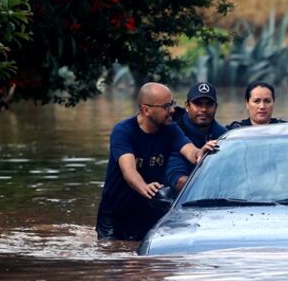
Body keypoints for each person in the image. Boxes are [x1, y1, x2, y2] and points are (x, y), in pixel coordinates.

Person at [96, 82, 213, 241]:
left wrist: (201, 152)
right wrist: (145, 187)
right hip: (115, 214)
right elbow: (129, 171)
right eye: (166, 106)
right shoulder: (123, 131)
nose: (172, 110)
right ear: (146, 110)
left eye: (172, 104)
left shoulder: (171, 129)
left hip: (148, 211)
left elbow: (191, 152)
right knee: (112, 252)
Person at [167, 82, 226, 191]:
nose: (204, 109)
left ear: (216, 107)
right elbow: (177, 180)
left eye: (209, 104)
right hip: (182, 197)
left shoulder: (223, 135)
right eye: (198, 104)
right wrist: (212, 186)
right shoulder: (174, 131)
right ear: (187, 106)